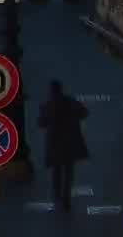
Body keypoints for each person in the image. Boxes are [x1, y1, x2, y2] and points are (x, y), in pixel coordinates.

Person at [39, 79, 90, 211]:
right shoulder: (71, 102)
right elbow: (84, 113)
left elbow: (41, 123)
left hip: (55, 143)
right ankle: (66, 196)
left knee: (57, 170)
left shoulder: (48, 105)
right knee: (69, 171)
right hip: (70, 142)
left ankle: (57, 194)